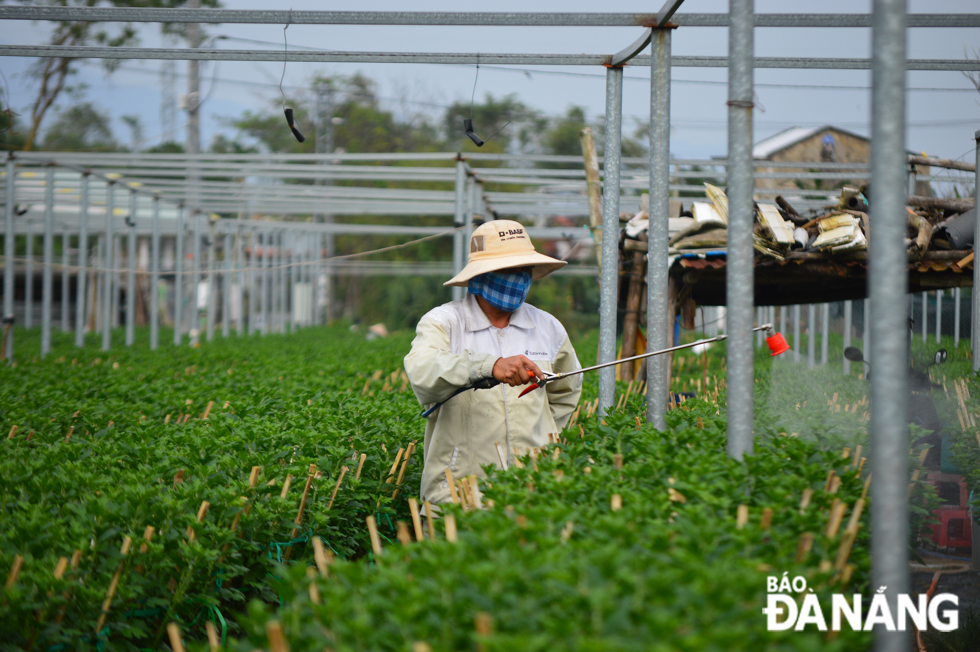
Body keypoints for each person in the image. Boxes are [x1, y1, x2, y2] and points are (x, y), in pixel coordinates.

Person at [404, 220, 583, 507]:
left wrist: (541, 441)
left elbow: (565, 392)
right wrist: (489, 366)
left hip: (535, 490)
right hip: (459, 492)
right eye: (506, 270)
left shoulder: (547, 327)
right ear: (481, 274)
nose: (518, 278)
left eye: (523, 269)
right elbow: (423, 372)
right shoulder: (445, 322)